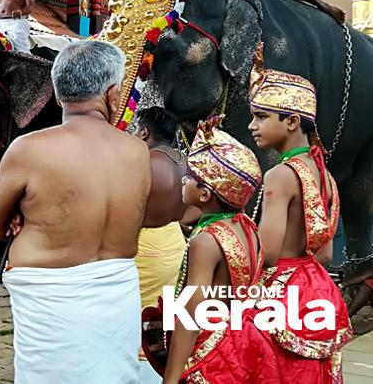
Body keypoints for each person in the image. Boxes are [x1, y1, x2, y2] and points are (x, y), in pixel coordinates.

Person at [0, 40, 149, 383]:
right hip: (117, 294)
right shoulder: (137, 151)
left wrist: (21, 216)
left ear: (57, 96)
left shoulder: (29, 149)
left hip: (51, 305)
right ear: (113, 94)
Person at [248, 45, 352, 380]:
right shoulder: (325, 175)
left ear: (292, 121)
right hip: (317, 290)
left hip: (279, 295)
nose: (252, 126)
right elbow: (325, 254)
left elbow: (267, 253)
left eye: (262, 117)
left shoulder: (280, 175)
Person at [162, 120, 278, 383]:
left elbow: (192, 314)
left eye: (191, 177)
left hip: (210, 355)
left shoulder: (206, 241)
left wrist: (171, 377)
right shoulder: (246, 226)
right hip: (238, 346)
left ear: (205, 195)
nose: (183, 178)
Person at [132, 107, 189, 383]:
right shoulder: (184, 160)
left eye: (134, 129)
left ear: (144, 132)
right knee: (163, 312)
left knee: (138, 316)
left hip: (145, 246)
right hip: (174, 243)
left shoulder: (144, 162)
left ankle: (142, 371)